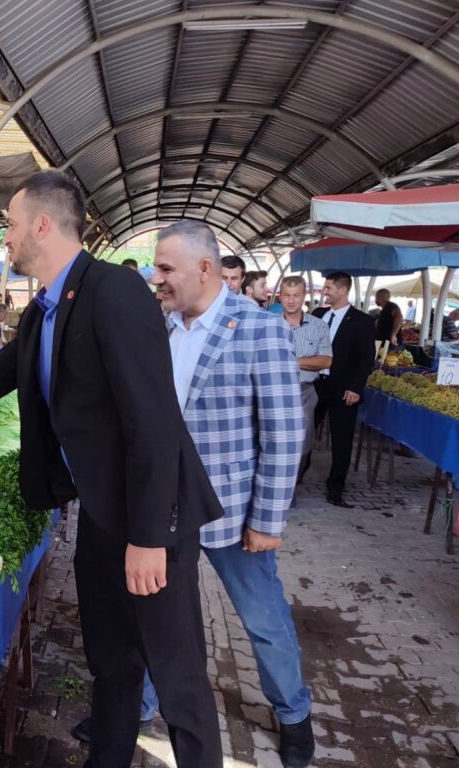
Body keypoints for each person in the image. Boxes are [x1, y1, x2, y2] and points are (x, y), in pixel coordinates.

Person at [0, 171, 224, 768]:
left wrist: (150, 537)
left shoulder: (114, 293)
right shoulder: (42, 314)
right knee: (111, 665)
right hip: (101, 513)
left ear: (44, 226)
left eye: (13, 228)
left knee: (176, 680)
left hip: (154, 522)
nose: (7, 241)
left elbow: (153, 422)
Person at [140, 222, 313, 768]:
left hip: (233, 515)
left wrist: (267, 520)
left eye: (166, 268)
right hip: (166, 511)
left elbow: (285, 433)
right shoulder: (159, 326)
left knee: (262, 620)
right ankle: (142, 704)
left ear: (205, 269)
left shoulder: (260, 331)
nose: (156, 277)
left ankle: (294, 715)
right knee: (157, 613)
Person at [312, 272, 375, 508]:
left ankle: (335, 489)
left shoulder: (362, 321)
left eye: (328, 288)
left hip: (343, 389)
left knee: (342, 440)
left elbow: (366, 358)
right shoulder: (317, 314)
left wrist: (355, 388)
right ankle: (296, 478)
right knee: (306, 433)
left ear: (342, 290)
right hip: (315, 385)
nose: (324, 292)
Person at [281, 276, 332, 484]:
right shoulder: (266, 324)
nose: (291, 301)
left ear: (304, 297)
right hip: (273, 391)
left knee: (302, 444)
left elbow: (326, 361)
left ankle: (291, 487)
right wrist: (308, 361)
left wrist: (290, 361)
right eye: (286, 295)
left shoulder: (318, 326)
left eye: (296, 295)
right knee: (270, 442)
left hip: (304, 392)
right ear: (280, 296)